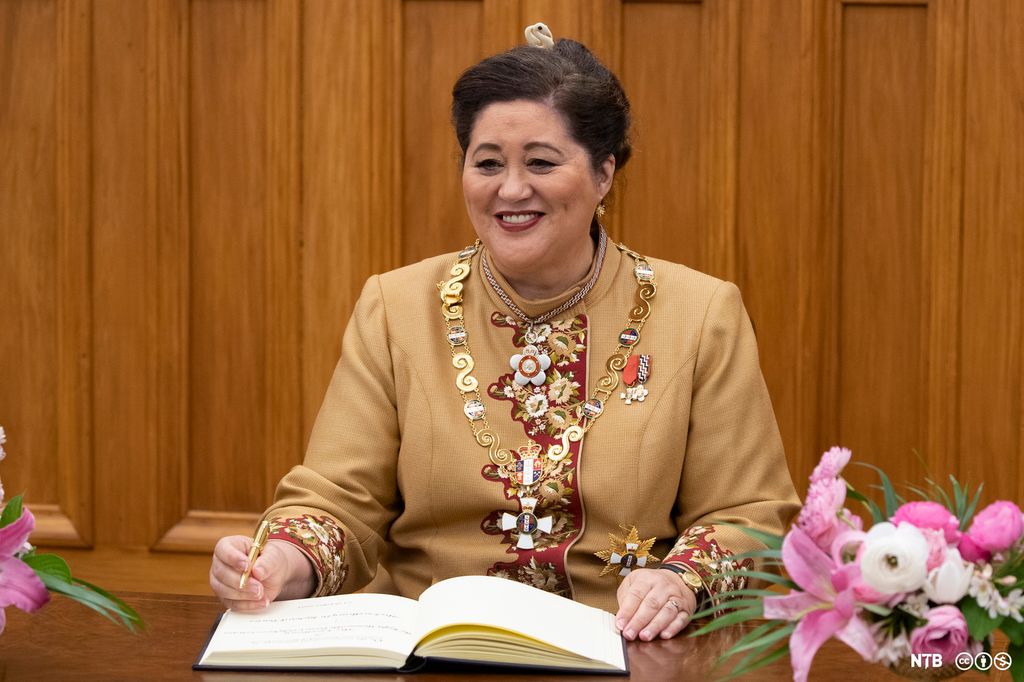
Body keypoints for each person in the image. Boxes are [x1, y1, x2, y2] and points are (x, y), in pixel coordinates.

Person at [209, 23, 799, 643]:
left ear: (603, 173)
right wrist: (280, 564)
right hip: (430, 647)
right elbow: (337, 499)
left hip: (621, 646)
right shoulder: (396, 307)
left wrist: (680, 580)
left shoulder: (700, 313)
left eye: (541, 162)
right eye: (487, 163)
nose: (511, 189)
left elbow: (749, 513)